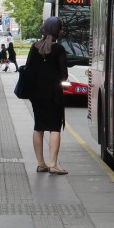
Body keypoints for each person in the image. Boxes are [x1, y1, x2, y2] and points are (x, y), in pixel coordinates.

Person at [24, 16, 69, 175]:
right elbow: (64, 76)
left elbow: (28, 68)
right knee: (54, 128)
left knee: (39, 127)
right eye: (61, 28)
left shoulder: (34, 47)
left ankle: (41, 164)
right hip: (54, 94)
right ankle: (53, 164)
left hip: (36, 94)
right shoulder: (59, 50)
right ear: (58, 31)